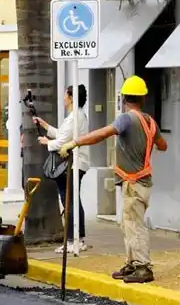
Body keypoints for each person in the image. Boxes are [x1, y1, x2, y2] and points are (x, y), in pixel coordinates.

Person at [60, 76, 167, 283]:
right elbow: (163, 145)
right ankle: (131, 263)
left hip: (134, 183)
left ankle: (143, 267)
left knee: (135, 225)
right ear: (142, 99)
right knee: (128, 224)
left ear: (124, 98)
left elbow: (103, 134)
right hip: (140, 182)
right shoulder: (149, 121)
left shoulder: (126, 119)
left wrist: (76, 142)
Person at [34, 84, 90, 253]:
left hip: (72, 164)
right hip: (76, 164)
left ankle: (74, 240)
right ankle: (77, 239)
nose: (64, 98)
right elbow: (63, 135)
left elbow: (60, 142)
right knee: (73, 200)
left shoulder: (75, 118)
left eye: (66, 95)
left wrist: (46, 142)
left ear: (71, 97)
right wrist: (45, 126)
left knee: (69, 201)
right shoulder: (77, 116)